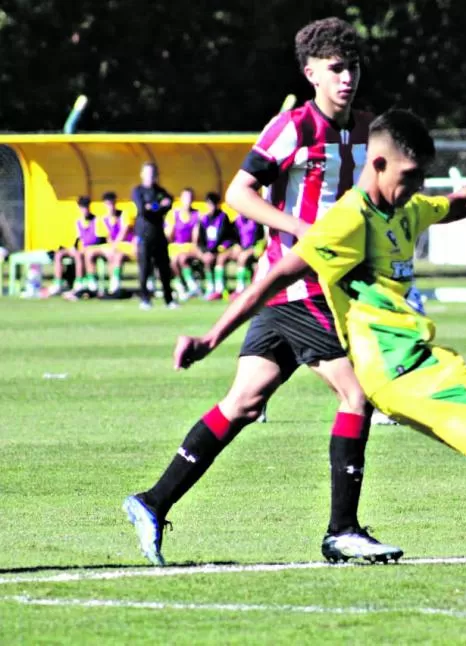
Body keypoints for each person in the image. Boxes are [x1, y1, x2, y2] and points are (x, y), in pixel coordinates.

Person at [171, 110, 466, 604]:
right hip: (393, 366)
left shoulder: (401, 209)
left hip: (421, 356)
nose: (417, 187)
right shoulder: (347, 219)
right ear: (377, 164)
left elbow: (461, 200)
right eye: (410, 176)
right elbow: (277, 275)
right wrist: (211, 338)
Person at [123, 17, 400, 568]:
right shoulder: (293, 127)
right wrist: (301, 230)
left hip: (308, 290)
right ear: (310, 73)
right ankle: (341, 531)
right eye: (336, 69)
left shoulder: (368, 131)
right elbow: (239, 193)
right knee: (357, 396)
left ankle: (152, 502)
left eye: (354, 67)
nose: (347, 78)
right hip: (300, 287)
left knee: (243, 404)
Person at [132, 162, 177, 310]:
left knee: (164, 268)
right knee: (144, 268)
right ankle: (145, 299)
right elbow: (142, 210)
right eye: (147, 173)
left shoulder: (160, 191)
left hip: (159, 234)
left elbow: (168, 204)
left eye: (153, 174)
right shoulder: (138, 191)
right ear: (142, 174)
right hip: (144, 234)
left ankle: (169, 299)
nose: (150, 177)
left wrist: (153, 206)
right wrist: (158, 206)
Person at [50, 196, 98, 295]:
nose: (84, 210)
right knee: (59, 255)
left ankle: (79, 282)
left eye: (86, 207)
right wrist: (72, 247)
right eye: (82, 207)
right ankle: (57, 283)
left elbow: (96, 238)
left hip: (90, 248)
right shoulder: (78, 222)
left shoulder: (95, 220)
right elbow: (77, 238)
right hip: (78, 248)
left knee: (78, 255)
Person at [197, 192, 237, 300]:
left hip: (222, 247)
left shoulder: (223, 217)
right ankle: (211, 288)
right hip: (209, 250)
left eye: (214, 204)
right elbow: (200, 240)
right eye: (209, 204)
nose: (212, 207)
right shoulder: (204, 219)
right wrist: (205, 251)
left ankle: (220, 289)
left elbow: (224, 236)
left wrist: (213, 250)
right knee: (206, 260)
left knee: (220, 259)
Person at [167, 188, 203, 299]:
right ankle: (180, 286)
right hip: (176, 246)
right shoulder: (174, 214)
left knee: (182, 258)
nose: (188, 200)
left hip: (190, 246)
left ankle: (191, 285)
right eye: (186, 197)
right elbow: (169, 235)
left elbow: (195, 238)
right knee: (173, 261)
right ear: (181, 199)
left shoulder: (197, 215)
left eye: (190, 198)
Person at [231, 213, 264, 295]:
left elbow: (260, 238)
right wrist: (236, 245)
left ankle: (240, 288)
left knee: (243, 258)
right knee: (224, 257)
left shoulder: (256, 220)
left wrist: (251, 249)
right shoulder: (237, 220)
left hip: (256, 248)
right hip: (242, 248)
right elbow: (234, 237)